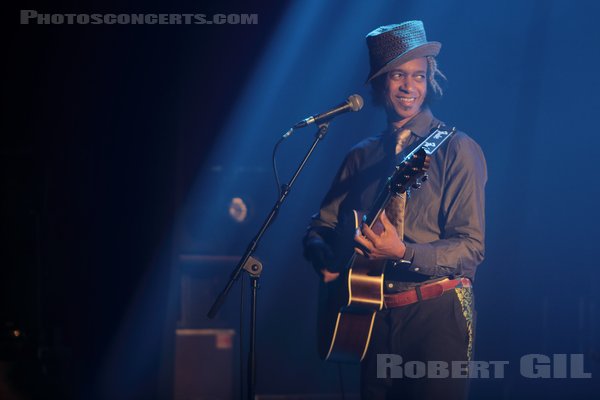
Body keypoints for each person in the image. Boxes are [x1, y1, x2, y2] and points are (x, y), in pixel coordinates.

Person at [303, 21, 487, 399]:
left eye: (418, 76)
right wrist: (326, 263)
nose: (409, 86)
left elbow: (471, 248)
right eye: (398, 75)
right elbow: (320, 227)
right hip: (369, 318)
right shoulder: (362, 155)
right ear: (378, 83)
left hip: (435, 317)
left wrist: (403, 252)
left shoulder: (456, 149)